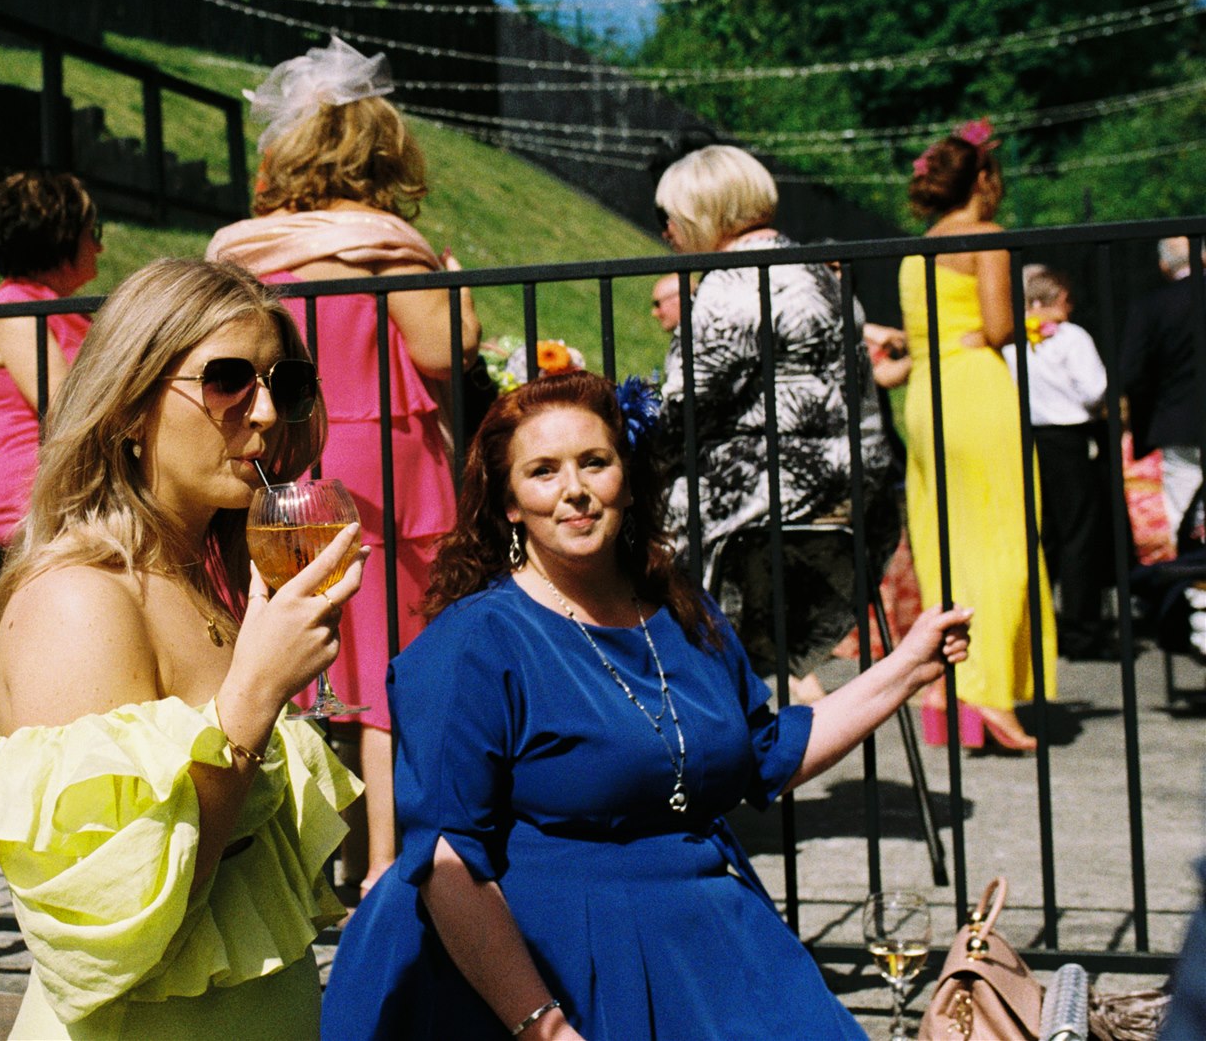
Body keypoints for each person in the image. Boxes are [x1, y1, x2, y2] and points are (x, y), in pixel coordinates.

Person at [319, 371, 972, 1041]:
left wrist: (911, 663)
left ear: (626, 481)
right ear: (510, 502)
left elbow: (767, 752)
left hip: (708, 935)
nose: (573, 489)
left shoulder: (683, 612)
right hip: (539, 961)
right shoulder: (475, 642)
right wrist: (543, 1026)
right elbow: (449, 859)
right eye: (543, 471)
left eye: (594, 462)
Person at [0, 258, 363, 1040]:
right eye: (226, 381)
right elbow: (116, 927)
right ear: (127, 406)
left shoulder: (197, 580)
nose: (263, 415)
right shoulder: (80, 602)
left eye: (281, 384)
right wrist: (253, 699)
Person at [207, 35, 478, 893]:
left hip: (280, 452)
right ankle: (387, 864)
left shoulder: (239, 248)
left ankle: (300, 858)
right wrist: (455, 285)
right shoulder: (386, 243)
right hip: (382, 461)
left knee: (295, 653)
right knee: (387, 660)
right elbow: (445, 352)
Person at [652, 145, 899, 702]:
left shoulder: (732, 284)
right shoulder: (816, 268)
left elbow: (682, 408)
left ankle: (677, 724)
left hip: (777, 501)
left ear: (701, 211)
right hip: (861, 495)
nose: (666, 229)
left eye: (668, 214)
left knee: (608, 520)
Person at [901, 122, 1055, 750]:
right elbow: (997, 326)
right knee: (1005, 536)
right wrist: (1026, 322)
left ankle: (945, 686)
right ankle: (990, 693)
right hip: (976, 392)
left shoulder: (918, 249)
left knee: (946, 540)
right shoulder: (988, 238)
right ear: (985, 181)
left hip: (925, 397)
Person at [0, 172, 102, 544]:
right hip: (32, 498)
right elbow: (66, 408)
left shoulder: (62, 310)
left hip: (75, 486)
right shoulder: (17, 310)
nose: (99, 247)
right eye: (94, 232)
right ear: (62, 240)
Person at [1005, 264, 1116, 659]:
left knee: (1043, 534)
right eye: (1066, 301)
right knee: (1079, 534)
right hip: (1068, 440)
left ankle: (1039, 627)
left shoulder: (1009, 339)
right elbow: (1094, 389)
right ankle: (1082, 628)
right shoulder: (1071, 338)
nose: (1069, 309)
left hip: (1027, 440)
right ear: (1049, 300)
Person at [1119, 235, 1203, 535]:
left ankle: (1194, 577)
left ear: (1164, 265)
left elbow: (1132, 372)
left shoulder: (1152, 306)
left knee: (1184, 510)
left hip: (1177, 421)